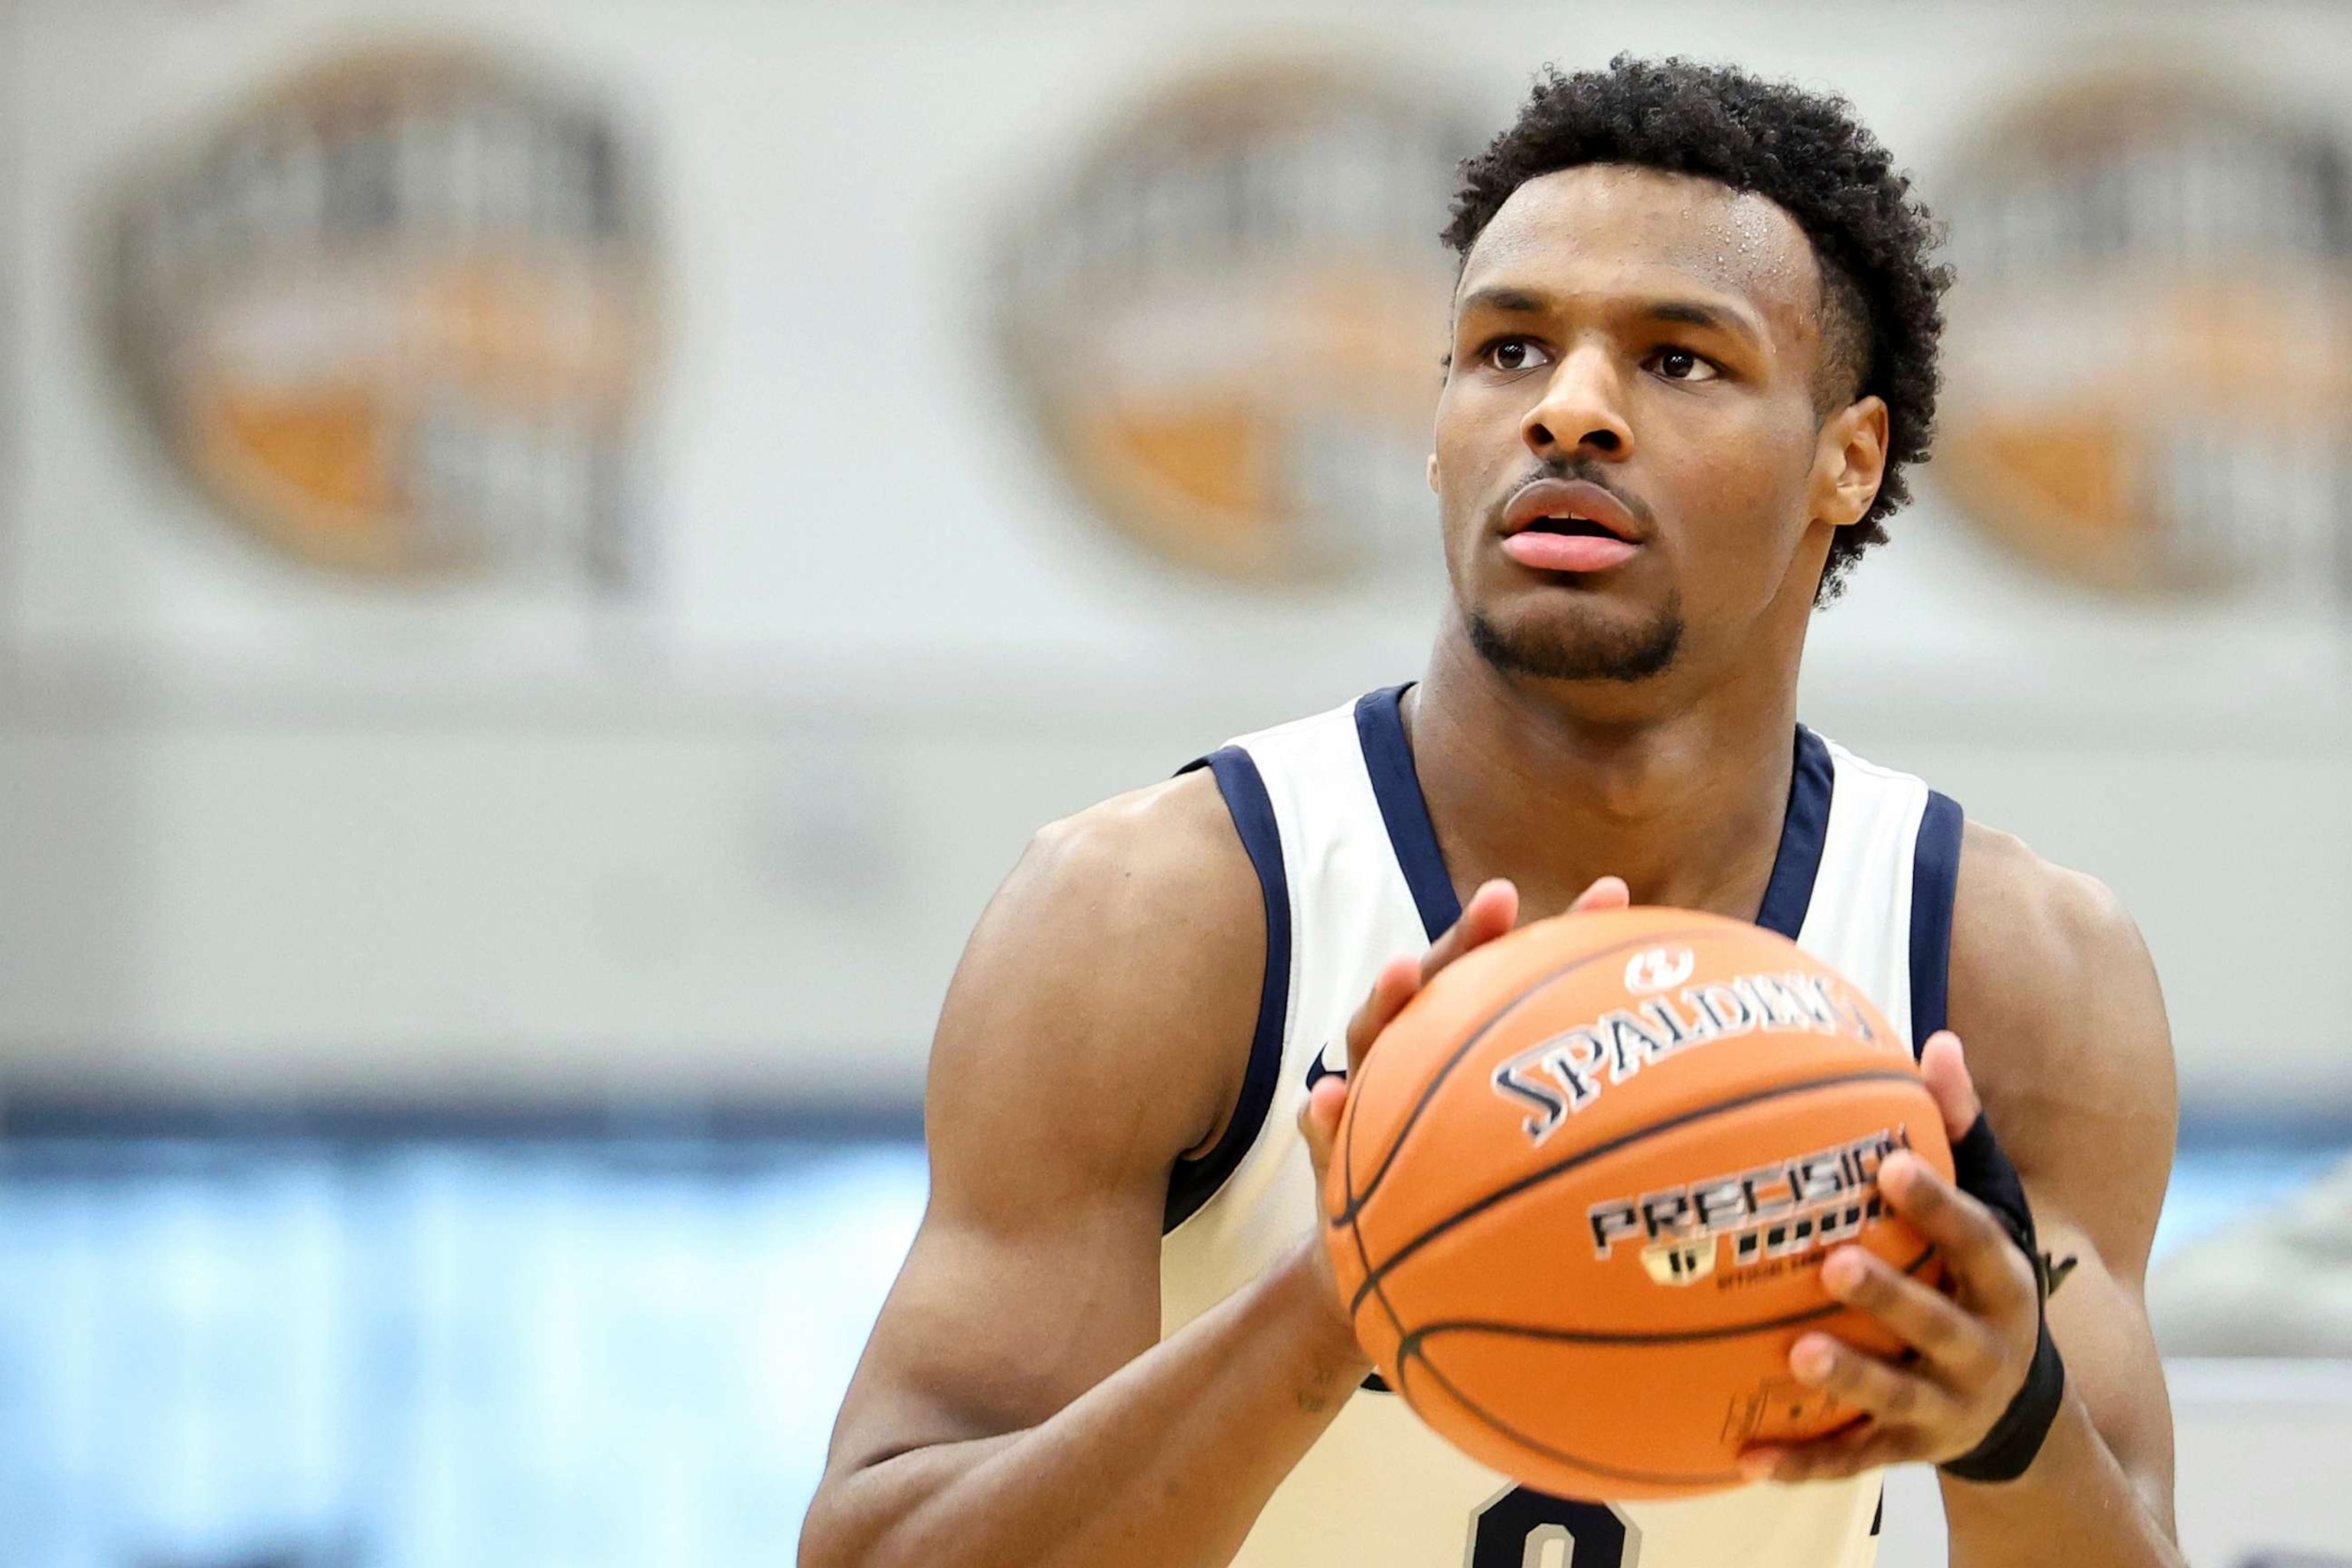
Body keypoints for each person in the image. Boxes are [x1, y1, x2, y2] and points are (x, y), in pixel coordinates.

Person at [798, 56, 2182, 1568]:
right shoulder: (1164, 912)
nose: (1569, 413)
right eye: (1508, 348)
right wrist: (1342, 1297)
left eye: (1678, 361)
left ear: (1845, 460)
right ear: (1439, 417)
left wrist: (2012, 1418)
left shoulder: (2012, 968)